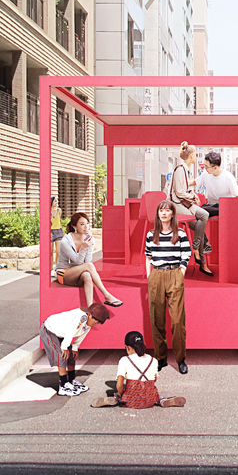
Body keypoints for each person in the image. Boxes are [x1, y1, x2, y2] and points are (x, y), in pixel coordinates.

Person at [147, 199, 191, 374]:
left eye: (167, 210)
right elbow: (147, 256)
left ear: (173, 214)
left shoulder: (179, 233)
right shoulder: (151, 234)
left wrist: (181, 272)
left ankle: (180, 359)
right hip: (156, 275)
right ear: (158, 214)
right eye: (161, 210)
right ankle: (161, 358)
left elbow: (186, 253)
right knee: (157, 320)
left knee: (178, 321)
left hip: (174, 274)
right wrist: (149, 276)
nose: (163, 213)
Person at [91, 330, 186, 408]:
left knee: (122, 395)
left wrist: (120, 392)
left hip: (132, 400)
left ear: (127, 348)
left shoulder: (124, 360)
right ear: (143, 344)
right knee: (154, 394)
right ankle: (161, 400)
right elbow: (154, 379)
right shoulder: (153, 360)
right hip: (149, 398)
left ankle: (117, 399)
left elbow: (119, 384)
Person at [40, 302, 111, 396]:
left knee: (71, 355)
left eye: (97, 323)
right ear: (89, 315)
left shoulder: (88, 322)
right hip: (50, 329)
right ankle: (63, 385)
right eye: (95, 322)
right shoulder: (82, 317)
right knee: (62, 355)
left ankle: (71, 380)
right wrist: (64, 347)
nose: (95, 325)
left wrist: (75, 348)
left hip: (61, 334)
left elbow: (82, 334)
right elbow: (71, 330)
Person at [55, 211, 123, 306]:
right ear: (74, 227)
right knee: (89, 266)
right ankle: (106, 295)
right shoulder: (65, 241)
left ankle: (90, 308)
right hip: (64, 274)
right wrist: (83, 248)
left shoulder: (89, 238)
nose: (86, 227)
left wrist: (89, 245)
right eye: (82, 224)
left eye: (87, 223)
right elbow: (79, 262)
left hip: (78, 273)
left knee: (87, 275)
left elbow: (86, 262)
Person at [170, 141, 213, 276]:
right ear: (192, 155)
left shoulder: (185, 169)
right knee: (199, 225)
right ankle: (201, 260)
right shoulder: (179, 169)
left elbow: (183, 190)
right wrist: (193, 196)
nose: (196, 157)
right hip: (177, 205)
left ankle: (196, 249)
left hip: (184, 203)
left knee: (203, 216)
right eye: (195, 154)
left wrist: (192, 195)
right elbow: (179, 192)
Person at [50, 196, 65, 273]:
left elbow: (59, 220)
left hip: (58, 231)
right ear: (51, 202)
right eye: (55, 201)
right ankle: (50, 269)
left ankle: (57, 267)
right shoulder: (48, 211)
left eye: (57, 201)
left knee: (58, 251)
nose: (56, 202)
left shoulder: (59, 210)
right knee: (51, 252)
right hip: (50, 232)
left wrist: (61, 229)